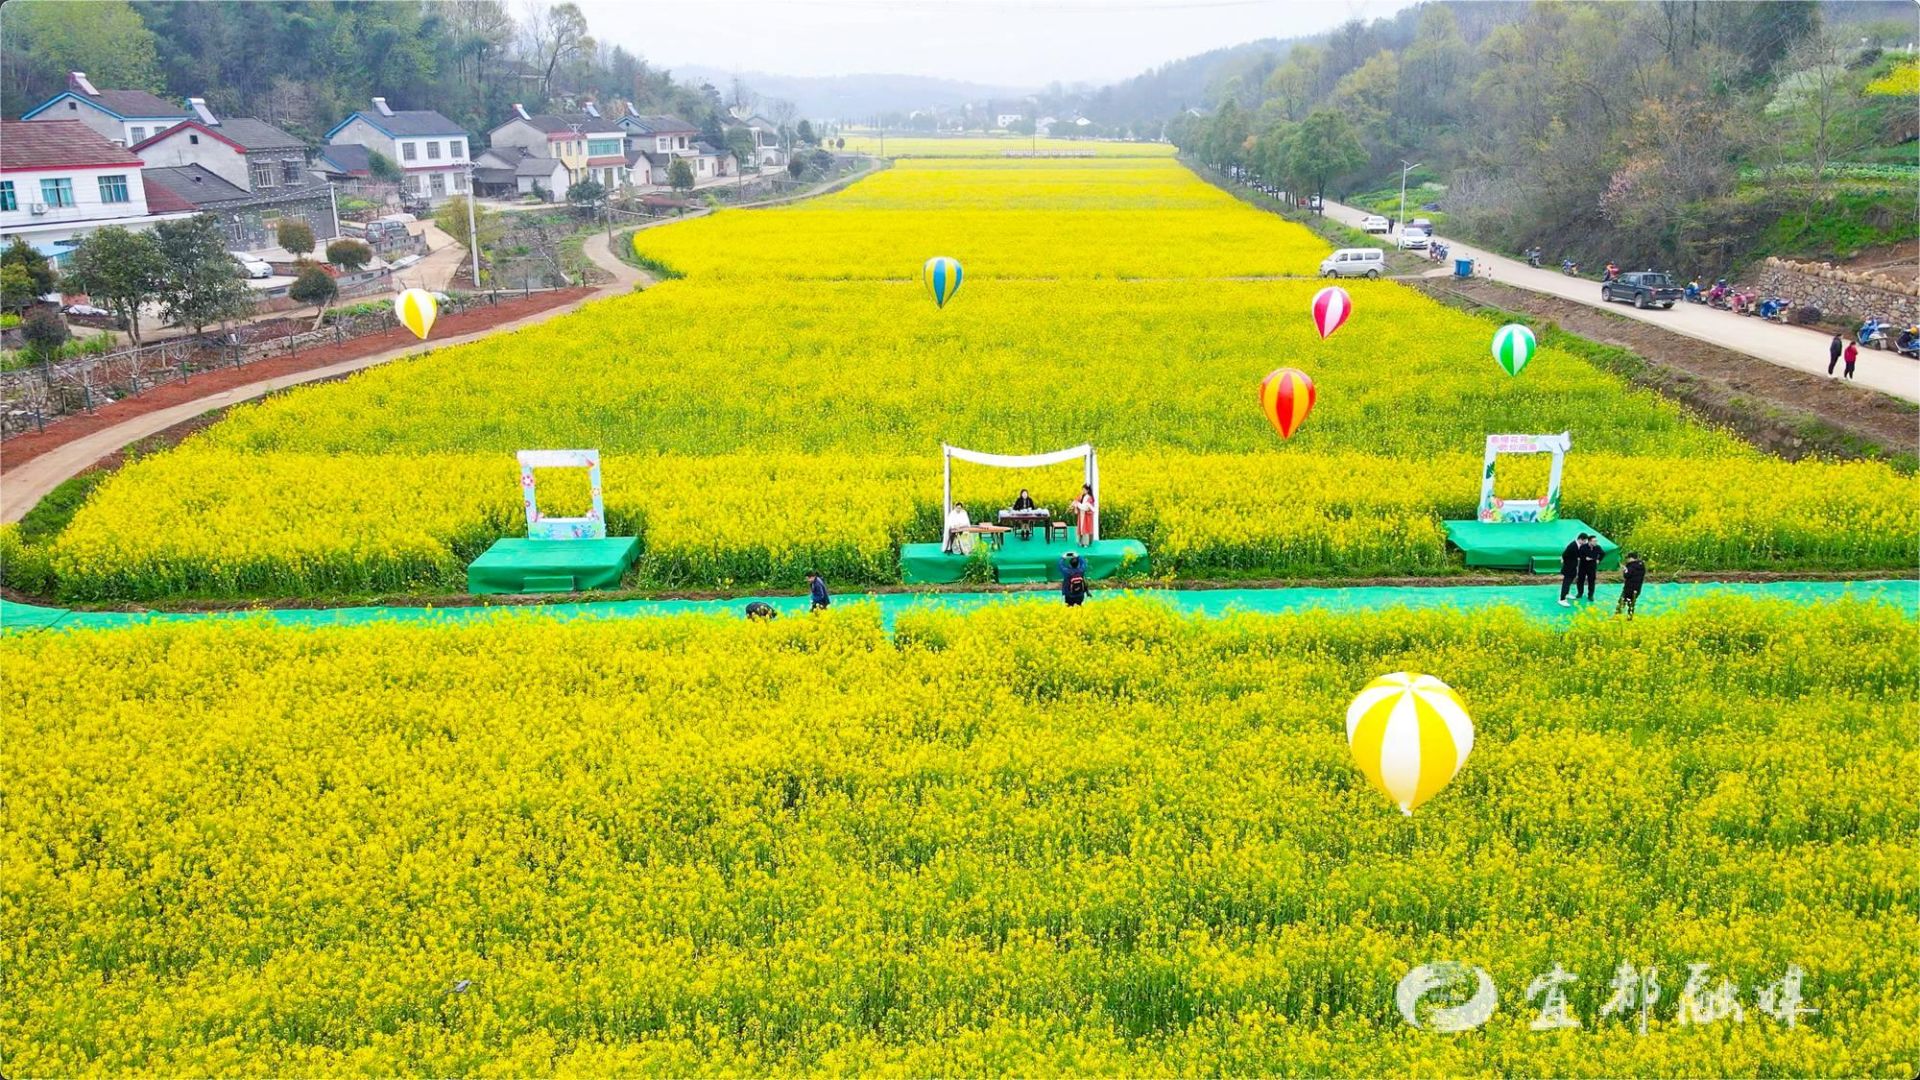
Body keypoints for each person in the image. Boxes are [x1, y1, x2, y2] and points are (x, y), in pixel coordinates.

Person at [1616, 552, 1646, 619]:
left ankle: (1617, 616)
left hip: (1629, 588)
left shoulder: (1631, 566)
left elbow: (1627, 575)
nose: (1627, 560)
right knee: (1631, 604)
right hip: (1637, 588)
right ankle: (1630, 617)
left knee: (1621, 602)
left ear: (1631, 558)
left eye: (1628, 558)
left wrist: (1625, 570)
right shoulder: (1642, 565)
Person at [1557, 534, 1582, 607]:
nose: (1585, 542)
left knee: (1570, 581)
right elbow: (1564, 555)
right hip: (1569, 568)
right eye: (1584, 541)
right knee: (1566, 583)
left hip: (1573, 568)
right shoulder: (1573, 545)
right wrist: (1567, 564)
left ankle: (1567, 594)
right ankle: (1562, 599)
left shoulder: (1577, 545)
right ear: (1580, 539)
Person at [1576, 534, 1601, 602]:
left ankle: (1590, 595)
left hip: (1592, 566)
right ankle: (1580, 593)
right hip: (1583, 566)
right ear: (1589, 541)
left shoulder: (1598, 547)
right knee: (1580, 580)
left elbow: (1603, 553)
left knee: (1591, 581)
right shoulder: (1583, 547)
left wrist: (1599, 559)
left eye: (1596, 541)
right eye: (1594, 541)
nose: (1596, 542)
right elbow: (1579, 555)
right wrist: (1585, 558)